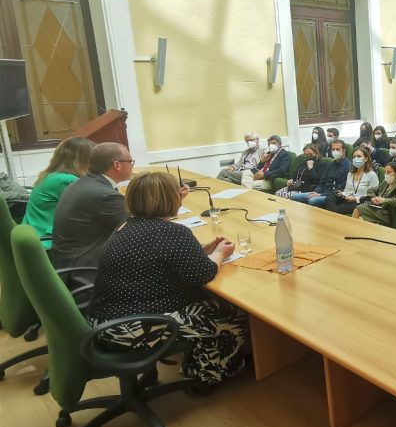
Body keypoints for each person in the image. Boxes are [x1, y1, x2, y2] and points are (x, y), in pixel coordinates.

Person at [88, 171, 247, 385]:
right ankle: (207, 375)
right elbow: (204, 274)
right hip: (131, 328)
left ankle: (194, 363)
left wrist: (202, 249)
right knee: (230, 314)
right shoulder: (173, 232)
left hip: (103, 322)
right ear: (170, 199)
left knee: (203, 302)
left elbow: (153, 252)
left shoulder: (124, 226)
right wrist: (220, 253)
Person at [51, 142, 134, 271]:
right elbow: (139, 231)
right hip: (87, 271)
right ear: (117, 165)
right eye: (130, 162)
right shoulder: (104, 195)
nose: (132, 167)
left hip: (70, 264)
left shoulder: (83, 183)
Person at [22, 136, 94, 249]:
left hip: (36, 238)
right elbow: (93, 210)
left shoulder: (50, 176)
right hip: (50, 244)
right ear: (83, 160)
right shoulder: (66, 180)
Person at [352, 161, 396, 227]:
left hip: (389, 213)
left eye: (389, 172)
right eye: (385, 172)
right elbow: (371, 190)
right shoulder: (387, 181)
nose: (386, 174)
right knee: (357, 209)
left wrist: (383, 200)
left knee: (361, 217)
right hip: (378, 207)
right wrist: (373, 198)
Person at [297, 139, 351, 208]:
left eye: (337, 149)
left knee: (312, 200)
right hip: (321, 192)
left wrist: (320, 195)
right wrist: (316, 192)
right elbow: (322, 182)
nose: (335, 151)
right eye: (333, 149)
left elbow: (341, 189)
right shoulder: (331, 164)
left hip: (333, 195)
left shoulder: (348, 167)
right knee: (295, 197)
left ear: (344, 151)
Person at [327, 146, 378, 215]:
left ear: (366, 159)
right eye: (354, 157)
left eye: (359, 156)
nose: (356, 158)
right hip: (347, 198)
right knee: (329, 197)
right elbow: (347, 191)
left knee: (339, 207)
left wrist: (355, 199)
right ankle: (334, 214)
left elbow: (372, 196)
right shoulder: (350, 174)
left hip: (360, 202)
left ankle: (333, 215)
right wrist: (342, 194)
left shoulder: (372, 175)